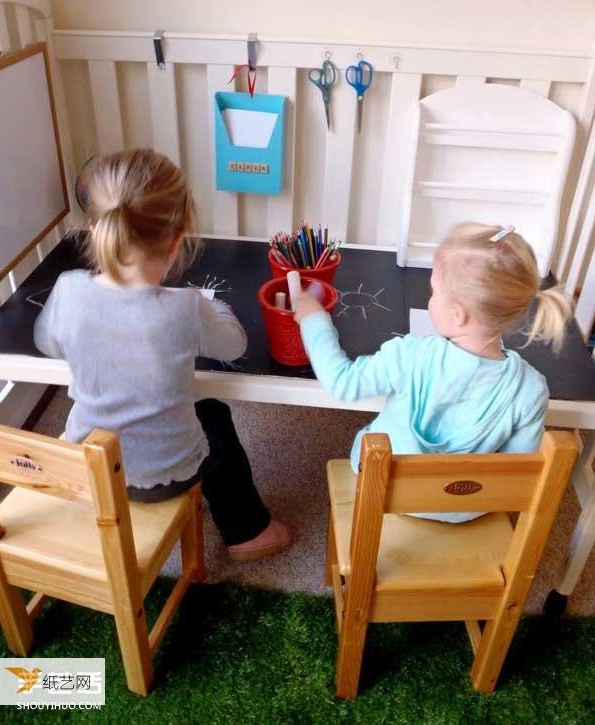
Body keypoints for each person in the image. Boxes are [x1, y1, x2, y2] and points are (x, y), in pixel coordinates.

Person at [34, 149, 290, 559]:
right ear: (176, 241)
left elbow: (47, 343)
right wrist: (216, 307)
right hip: (166, 473)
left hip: (92, 464)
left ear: (94, 227)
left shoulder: (68, 289)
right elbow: (234, 345)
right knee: (214, 416)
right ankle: (248, 533)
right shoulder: (185, 307)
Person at [294, 222, 573, 523]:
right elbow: (515, 472)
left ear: (458, 315)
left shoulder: (410, 355)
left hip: (382, 490)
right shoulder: (531, 389)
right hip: (465, 509)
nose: (429, 299)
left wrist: (314, 321)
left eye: (433, 292)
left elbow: (342, 382)